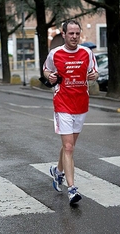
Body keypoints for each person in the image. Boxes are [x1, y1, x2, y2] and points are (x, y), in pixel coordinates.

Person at [43, 20, 98, 205]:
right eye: (71, 33)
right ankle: (72, 189)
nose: (74, 37)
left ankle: (57, 171)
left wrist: (93, 76)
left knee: (70, 145)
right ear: (64, 34)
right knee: (68, 147)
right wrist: (49, 76)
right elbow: (46, 69)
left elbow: (95, 72)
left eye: (77, 33)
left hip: (81, 104)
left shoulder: (87, 52)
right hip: (62, 103)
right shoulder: (55, 53)